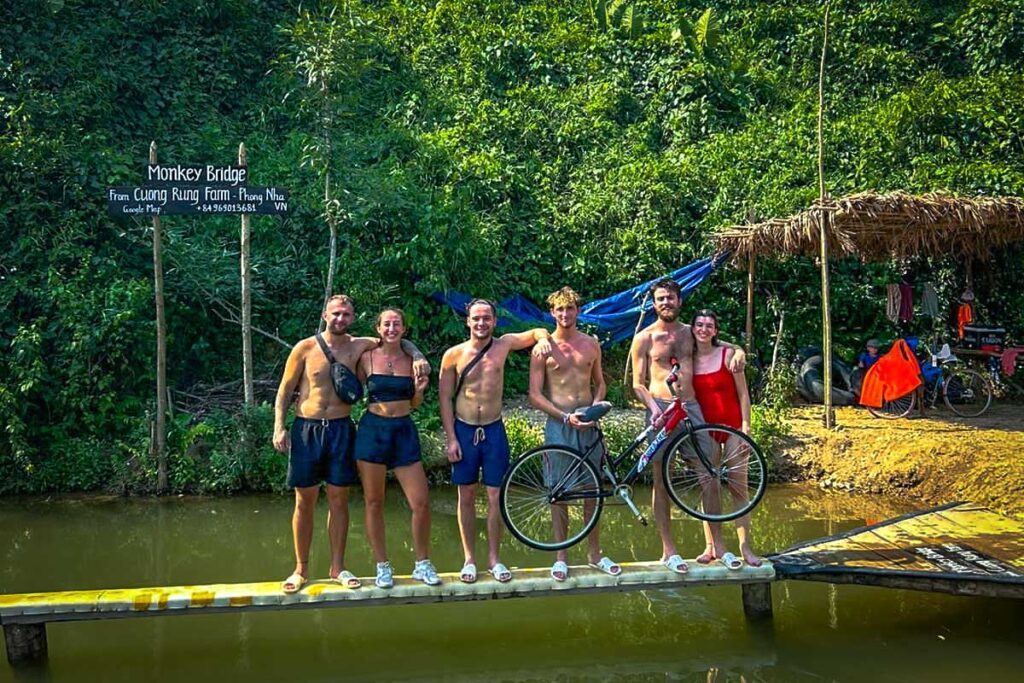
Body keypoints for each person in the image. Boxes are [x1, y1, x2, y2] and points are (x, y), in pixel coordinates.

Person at [272, 295, 429, 594]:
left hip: (342, 429)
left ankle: (338, 567)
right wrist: (279, 426)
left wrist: (418, 353)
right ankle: (301, 568)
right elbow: (285, 389)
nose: (340, 319)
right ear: (324, 314)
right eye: (336, 314)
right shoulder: (304, 348)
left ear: (354, 318)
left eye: (346, 314)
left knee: (338, 500)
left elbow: (395, 339)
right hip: (307, 428)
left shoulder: (360, 345)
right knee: (304, 502)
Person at [629, 279, 745, 575]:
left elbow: (718, 343)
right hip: (660, 410)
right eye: (660, 298)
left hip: (692, 408)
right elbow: (637, 383)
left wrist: (739, 350)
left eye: (670, 298)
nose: (665, 302)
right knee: (660, 479)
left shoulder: (690, 334)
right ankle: (668, 549)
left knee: (709, 474)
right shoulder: (644, 338)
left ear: (680, 301)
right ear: (653, 303)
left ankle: (717, 545)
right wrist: (653, 407)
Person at [438, 299, 555, 584]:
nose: (481, 323)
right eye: (476, 318)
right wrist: (451, 438)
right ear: (468, 321)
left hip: (493, 431)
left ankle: (494, 559)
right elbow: (444, 398)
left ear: (494, 320)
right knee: (465, 496)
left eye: (487, 318)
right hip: (465, 431)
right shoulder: (453, 355)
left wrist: (543, 340)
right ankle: (469, 559)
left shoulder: (503, 345)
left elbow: (537, 330)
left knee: (495, 497)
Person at [528, 287, 620, 581]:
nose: (565, 314)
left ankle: (595, 554)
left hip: (589, 424)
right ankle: (561, 556)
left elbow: (600, 383)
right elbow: (534, 395)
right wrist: (566, 416)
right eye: (559, 310)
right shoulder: (543, 348)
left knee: (592, 490)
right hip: (560, 424)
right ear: (552, 313)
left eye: (570, 309)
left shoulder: (591, 344)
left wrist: (594, 409)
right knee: (559, 492)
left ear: (577, 311)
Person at [354, 308, 437, 588]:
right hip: (372, 430)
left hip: (403, 430)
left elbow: (414, 404)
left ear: (404, 329)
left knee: (421, 502)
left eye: (397, 324)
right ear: (378, 328)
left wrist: (420, 390)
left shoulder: (413, 362)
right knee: (374, 502)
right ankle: (382, 566)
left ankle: (422, 564)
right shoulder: (365, 357)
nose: (391, 328)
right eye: (386, 324)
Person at [691, 310, 760, 568]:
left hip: (732, 427)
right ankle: (711, 546)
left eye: (709, 325)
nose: (704, 329)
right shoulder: (688, 357)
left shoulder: (729, 355)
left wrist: (746, 428)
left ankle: (745, 548)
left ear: (716, 331)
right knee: (708, 487)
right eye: (699, 324)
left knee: (737, 486)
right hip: (704, 430)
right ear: (693, 328)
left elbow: (743, 395)